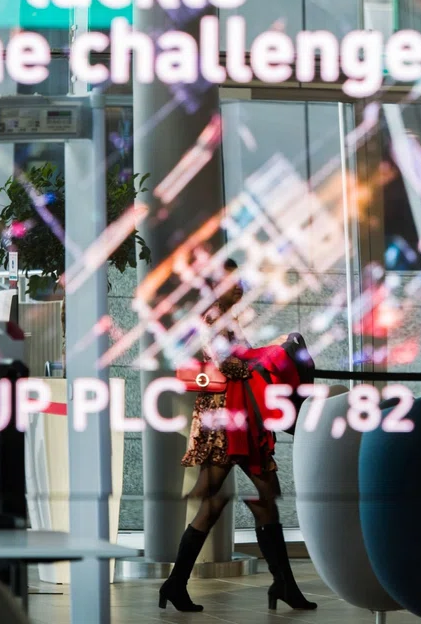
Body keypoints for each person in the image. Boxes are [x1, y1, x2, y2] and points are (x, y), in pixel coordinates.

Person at [159, 259, 317, 613]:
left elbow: (243, 359)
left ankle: (280, 584)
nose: (239, 287)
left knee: (249, 499)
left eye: (239, 281)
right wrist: (275, 352)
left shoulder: (224, 318)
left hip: (236, 415)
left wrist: (270, 349)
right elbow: (231, 365)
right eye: (231, 282)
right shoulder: (213, 318)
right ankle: (178, 583)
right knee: (226, 501)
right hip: (227, 418)